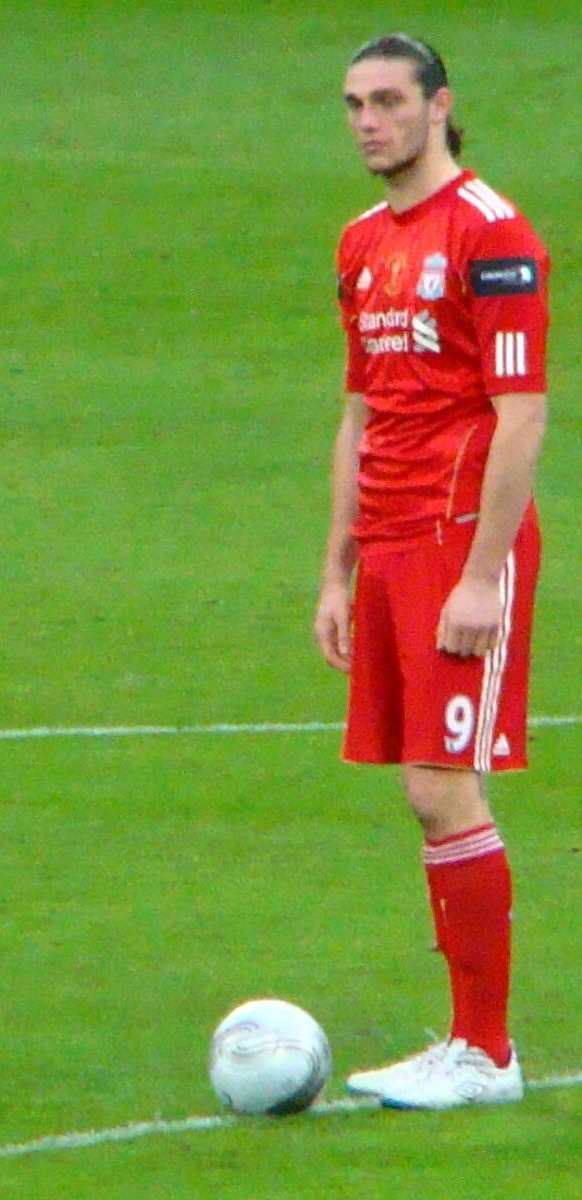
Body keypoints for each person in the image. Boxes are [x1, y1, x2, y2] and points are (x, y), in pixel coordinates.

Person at [314, 34, 549, 1110]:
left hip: (460, 541)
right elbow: (360, 415)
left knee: (441, 786)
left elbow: (521, 414)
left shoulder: (492, 235)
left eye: (389, 101)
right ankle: (468, 1042)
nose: (369, 121)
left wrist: (484, 575)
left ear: (440, 106)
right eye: (354, 104)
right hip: (391, 542)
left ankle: (485, 1053)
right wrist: (337, 571)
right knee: (425, 790)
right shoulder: (361, 242)